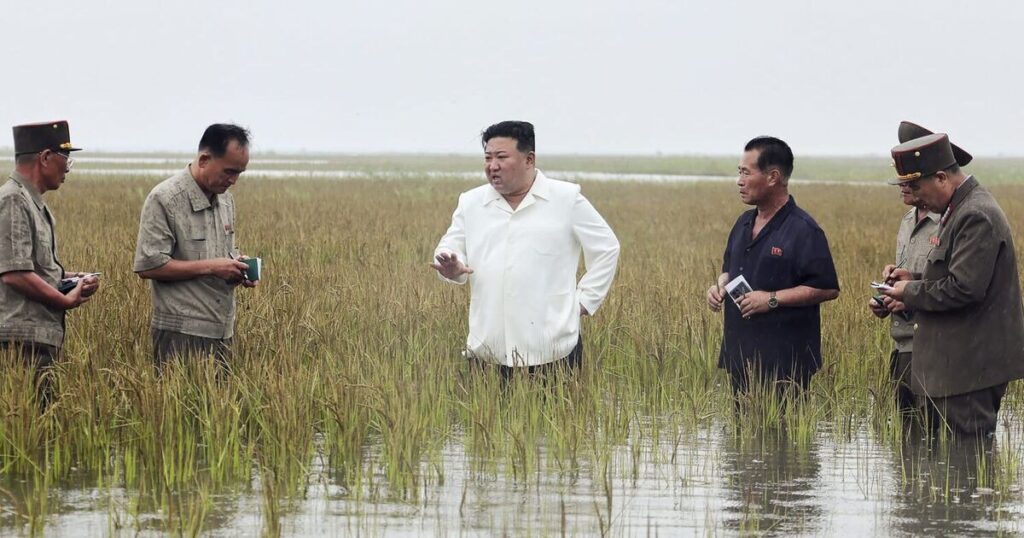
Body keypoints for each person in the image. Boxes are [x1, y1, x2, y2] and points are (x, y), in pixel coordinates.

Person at [431, 121, 619, 378]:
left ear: (529, 159)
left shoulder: (566, 199)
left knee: (559, 418)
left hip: (553, 350)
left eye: (501, 157)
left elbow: (607, 248)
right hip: (489, 350)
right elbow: (449, 247)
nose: (492, 165)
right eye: (488, 157)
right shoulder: (471, 202)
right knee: (487, 418)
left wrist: (585, 301)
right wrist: (452, 268)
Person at [881, 130, 1024, 439]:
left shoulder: (976, 214)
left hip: (969, 371)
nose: (914, 196)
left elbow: (965, 288)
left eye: (917, 186)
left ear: (942, 178)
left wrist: (909, 292)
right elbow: (957, 276)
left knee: (964, 465)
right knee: (940, 468)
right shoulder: (956, 210)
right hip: (955, 369)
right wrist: (914, 279)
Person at [706, 136, 840, 394]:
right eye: (738, 173)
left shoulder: (804, 229)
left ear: (772, 177)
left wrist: (771, 299)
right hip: (740, 356)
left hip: (786, 363)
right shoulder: (743, 223)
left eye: (746, 173)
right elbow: (728, 270)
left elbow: (827, 288)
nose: (739, 181)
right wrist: (719, 287)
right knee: (742, 433)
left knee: (784, 432)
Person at [133, 124, 258, 370]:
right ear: (204, 159)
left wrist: (237, 265)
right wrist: (212, 267)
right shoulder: (165, 199)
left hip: (222, 330)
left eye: (239, 173)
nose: (233, 181)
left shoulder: (225, 200)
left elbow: (219, 255)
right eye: (229, 171)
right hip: (180, 333)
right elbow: (149, 266)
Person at [0, 121, 100, 399]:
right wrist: (65, 299)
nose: (67, 168)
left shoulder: (33, 203)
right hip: (19, 344)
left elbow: (32, 269)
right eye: (65, 159)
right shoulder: (13, 200)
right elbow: (15, 274)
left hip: (36, 340)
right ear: (44, 158)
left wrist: (68, 280)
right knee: (26, 430)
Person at [868, 122, 947, 415]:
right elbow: (910, 274)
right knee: (906, 443)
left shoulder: (951, 222)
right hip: (902, 345)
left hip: (932, 346)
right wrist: (887, 296)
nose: (903, 186)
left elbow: (952, 284)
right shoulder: (906, 221)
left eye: (910, 180)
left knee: (933, 436)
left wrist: (909, 290)